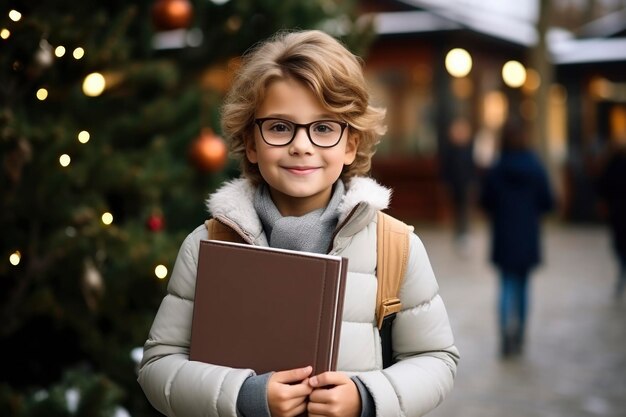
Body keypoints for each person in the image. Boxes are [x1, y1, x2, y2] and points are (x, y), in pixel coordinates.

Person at [137, 30, 459, 417]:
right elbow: (159, 366)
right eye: (279, 127)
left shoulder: (395, 247)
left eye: (323, 127)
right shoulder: (209, 244)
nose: (301, 145)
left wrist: (365, 396)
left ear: (350, 144)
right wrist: (245, 395)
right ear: (251, 144)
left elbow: (435, 359)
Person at [479, 118, 554, 358]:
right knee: (523, 287)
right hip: (527, 235)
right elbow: (548, 201)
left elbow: (485, 201)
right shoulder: (535, 167)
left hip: (504, 234)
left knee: (505, 285)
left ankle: (504, 336)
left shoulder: (497, 168)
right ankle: (520, 335)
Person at [441, 117, 476, 255]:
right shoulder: (450, 150)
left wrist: (473, 182)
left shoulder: (468, 149)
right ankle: (458, 234)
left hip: (466, 184)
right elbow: (446, 169)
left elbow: (471, 168)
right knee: (457, 210)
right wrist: (446, 183)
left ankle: (465, 234)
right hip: (454, 185)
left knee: (465, 210)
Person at [596, 139, 626, 299]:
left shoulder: (610, 166)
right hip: (618, 212)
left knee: (619, 245)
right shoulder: (611, 166)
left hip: (616, 212)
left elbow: (601, 187)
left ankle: (622, 269)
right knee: (619, 245)